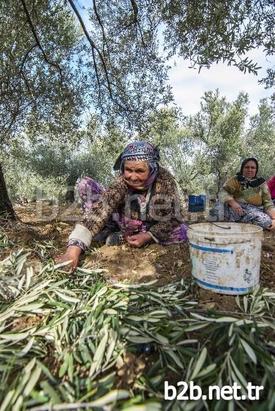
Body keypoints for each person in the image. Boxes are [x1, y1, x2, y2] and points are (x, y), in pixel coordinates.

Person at [58, 141, 188, 271]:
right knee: (86, 184)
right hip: (122, 219)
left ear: (152, 169)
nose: (132, 177)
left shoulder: (165, 181)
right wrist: (73, 250)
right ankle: (108, 230)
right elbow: (102, 207)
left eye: (140, 171)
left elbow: (174, 218)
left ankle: (125, 236)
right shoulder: (122, 181)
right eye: (128, 170)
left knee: (182, 232)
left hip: (148, 226)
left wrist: (148, 236)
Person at [218, 157, 275, 230]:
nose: (250, 170)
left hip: (253, 211)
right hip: (236, 208)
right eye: (247, 167)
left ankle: (240, 223)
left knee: (266, 222)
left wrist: (274, 218)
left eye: (253, 168)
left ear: (256, 170)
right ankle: (237, 223)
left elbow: (268, 202)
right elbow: (223, 192)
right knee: (217, 209)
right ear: (242, 168)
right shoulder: (235, 180)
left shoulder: (261, 183)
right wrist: (232, 202)